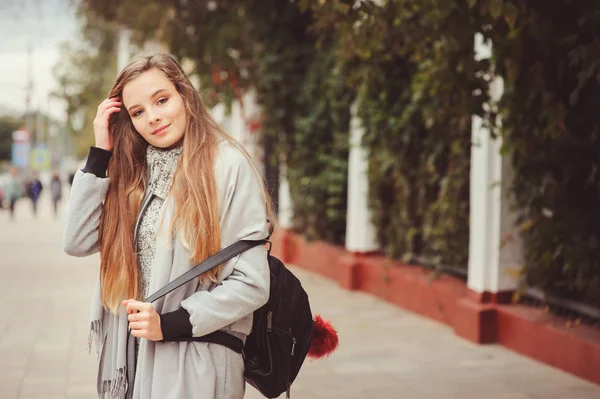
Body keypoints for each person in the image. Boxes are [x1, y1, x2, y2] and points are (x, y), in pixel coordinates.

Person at [63, 53, 272, 399]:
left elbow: (251, 285)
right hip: (132, 362)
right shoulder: (132, 176)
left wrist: (170, 324)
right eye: (138, 112)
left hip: (197, 362)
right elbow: (76, 241)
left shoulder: (227, 166)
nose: (154, 117)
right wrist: (101, 152)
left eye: (161, 100)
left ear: (185, 96)